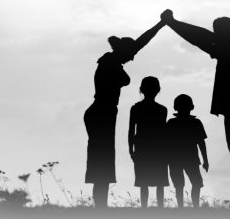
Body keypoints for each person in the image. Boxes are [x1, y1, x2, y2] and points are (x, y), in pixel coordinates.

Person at [160, 10, 230, 209]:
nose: (214, 38)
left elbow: (201, 38)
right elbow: (203, 38)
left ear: (226, 33)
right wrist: (173, 23)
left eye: (217, 33)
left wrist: (173, 23)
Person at [84, 20, 165, 209]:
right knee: (101, 163)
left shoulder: (111, 61)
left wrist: (160, 25)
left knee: (102, 162)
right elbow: (126, 78)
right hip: (101, 113)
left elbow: (140, 42)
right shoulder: (111, 64)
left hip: (103, 112)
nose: (132, 59)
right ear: (123, 51)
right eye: (130, 54)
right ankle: (100, 209)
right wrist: (161, 24)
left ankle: (100, 207)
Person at [128, 76, 169, 208]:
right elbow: (163, 133)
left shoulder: (136, 108)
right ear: (158, 90)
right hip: (158, 150)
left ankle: (144, 210)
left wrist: (131, 150)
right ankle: (160, 210)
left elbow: (131, 131)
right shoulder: (162, 110)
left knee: (143, 183)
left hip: (142, 149)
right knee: (159, 183)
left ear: (141, 90)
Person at [166, 94, 209, 208]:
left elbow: (201, 143)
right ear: (192, 107)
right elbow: (201, 143)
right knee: (194, 184)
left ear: (175, 107)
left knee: (183, 185)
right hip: (190, 159)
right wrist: (205, 160)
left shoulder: (172, 123)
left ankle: (184, 208)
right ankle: (194, 208)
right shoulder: (195, 123)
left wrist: (205, 160)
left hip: (177, 159)